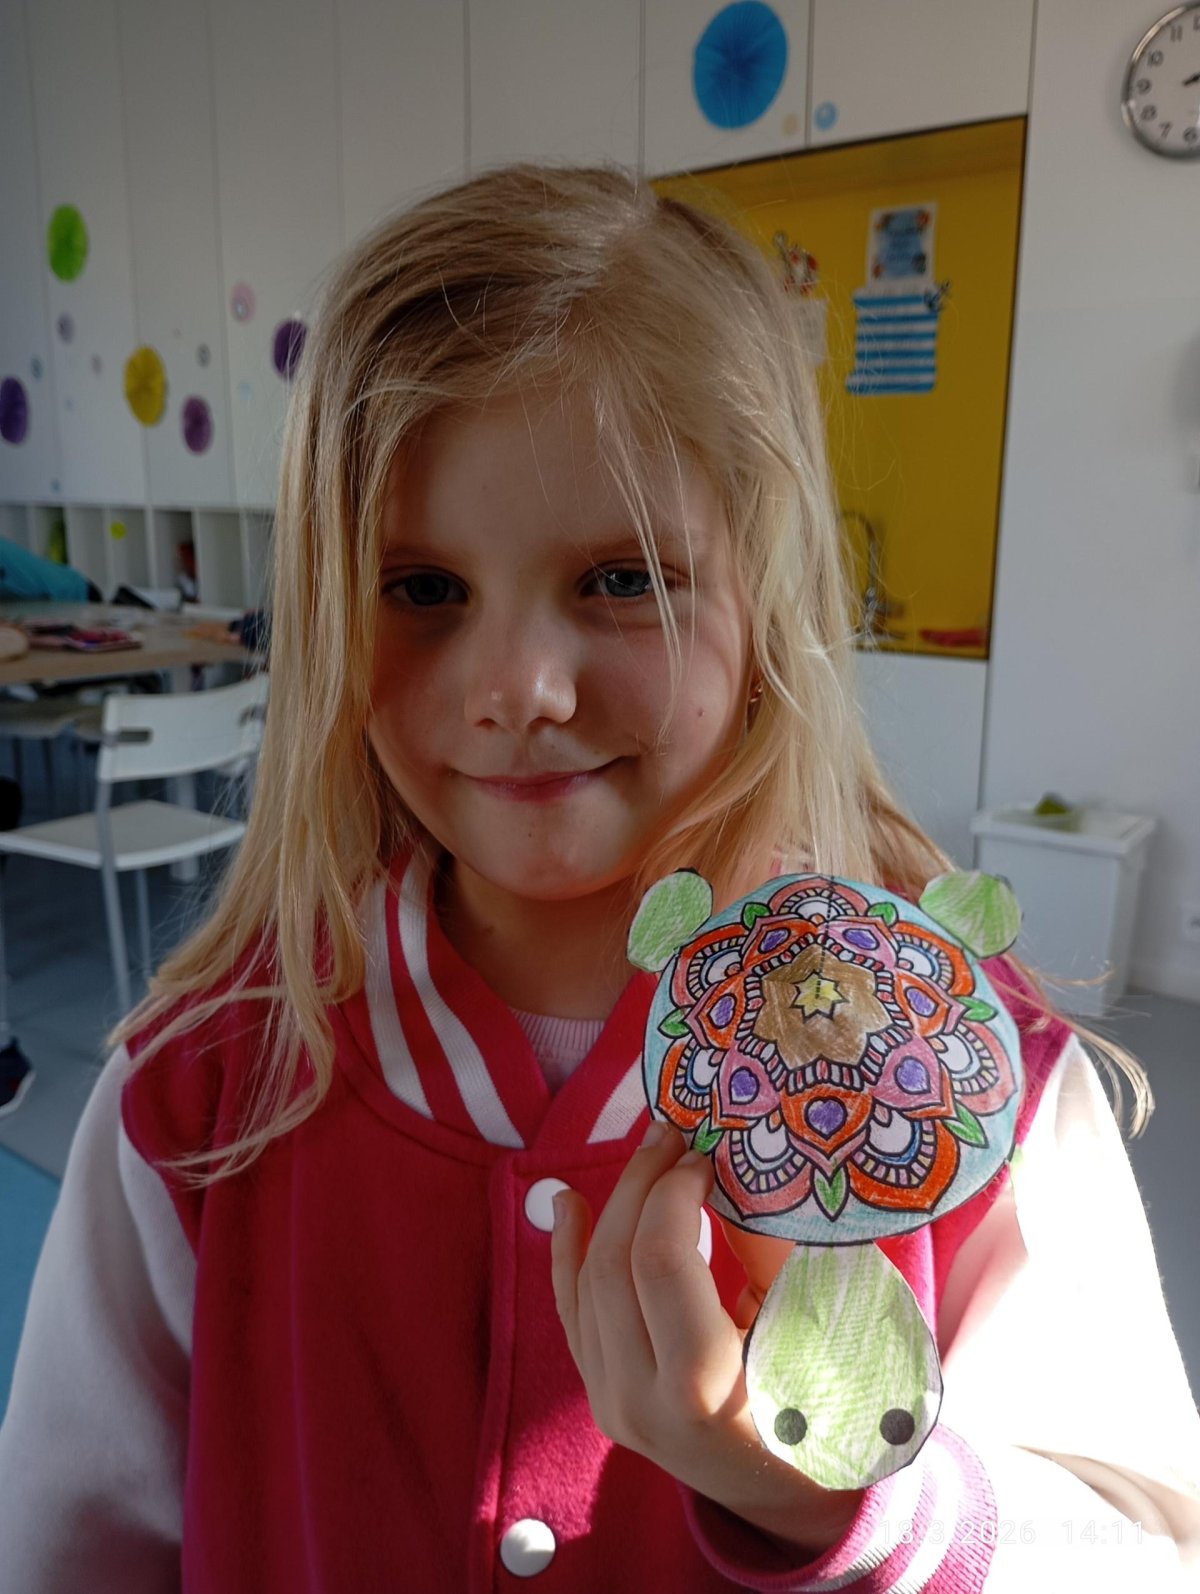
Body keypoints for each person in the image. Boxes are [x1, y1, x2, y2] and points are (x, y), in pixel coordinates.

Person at [0, 165, 1197, 1592]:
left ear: (768, 596)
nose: (518, 688)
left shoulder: (968, 1073)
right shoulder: (198, 1094)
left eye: (622, 579)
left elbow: (1146, 1546)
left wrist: (851, 1505)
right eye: (423, 589)